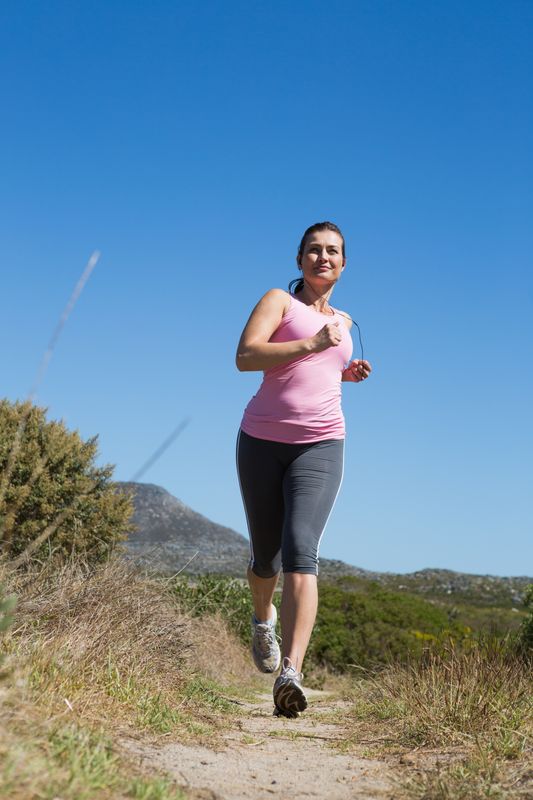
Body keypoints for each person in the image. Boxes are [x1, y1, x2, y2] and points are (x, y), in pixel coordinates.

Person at [235, 221, 372, 717]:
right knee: (265, 556)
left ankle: (291, 672)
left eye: (332, 251)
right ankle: (261, 619)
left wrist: (344, 371)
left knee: (301, 550)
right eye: (314, 250)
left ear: (344, 263)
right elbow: (246, 357)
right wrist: (313, 345)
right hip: (261, 442)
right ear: (299, 260)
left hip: (321, 443)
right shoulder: (279, 301)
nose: (323, 257)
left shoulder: (345, 321)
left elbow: (319, 372)